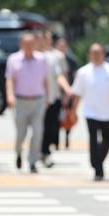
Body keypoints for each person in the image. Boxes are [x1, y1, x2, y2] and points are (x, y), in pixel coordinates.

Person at [71, 43, 109, 181]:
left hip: (108, 113)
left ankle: (97, 162)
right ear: (90, 55)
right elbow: (77, 94)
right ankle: (98, 169)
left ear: (103, 54)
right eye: (93, 53)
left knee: (107, 141)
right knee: (93, 141)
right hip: (91, 113)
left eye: (98, 53)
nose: (96, 55)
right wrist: (73, 111)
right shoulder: (83, 72)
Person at [5, 33, 48, 173]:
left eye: (31, 43)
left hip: (38, 100)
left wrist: (47, 97)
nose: (29, 46)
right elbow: (10, 79)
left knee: (37, 132)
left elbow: (45, 80)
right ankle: (18, 152)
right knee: (20, 134)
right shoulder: (13, 59)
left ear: (35, 44)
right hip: (21, 101)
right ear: (21, 45)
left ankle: (32, 161)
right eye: (26, 44)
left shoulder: (41, 59)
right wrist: (10, 95)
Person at [37, 30, 72, 167]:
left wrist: (66, 91)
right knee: (39, 127)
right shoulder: (35, 56)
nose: (48, 40)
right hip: (38, 98)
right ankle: (39, 152)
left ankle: (45, 152)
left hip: (54, 97)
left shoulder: (56, 56)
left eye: (49, 38)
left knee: (50, 127)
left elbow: (61, 75)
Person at [55, 37, 79, 149]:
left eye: (63, 46)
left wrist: (71, 94)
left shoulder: (72, 61)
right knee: (56, 118)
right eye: (60, 46)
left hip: (69, 92)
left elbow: (75, 79)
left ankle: (67, 138)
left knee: (68, 116)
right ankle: (55, 141)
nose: (61, 48)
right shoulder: (53, 59)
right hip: (55, 93)